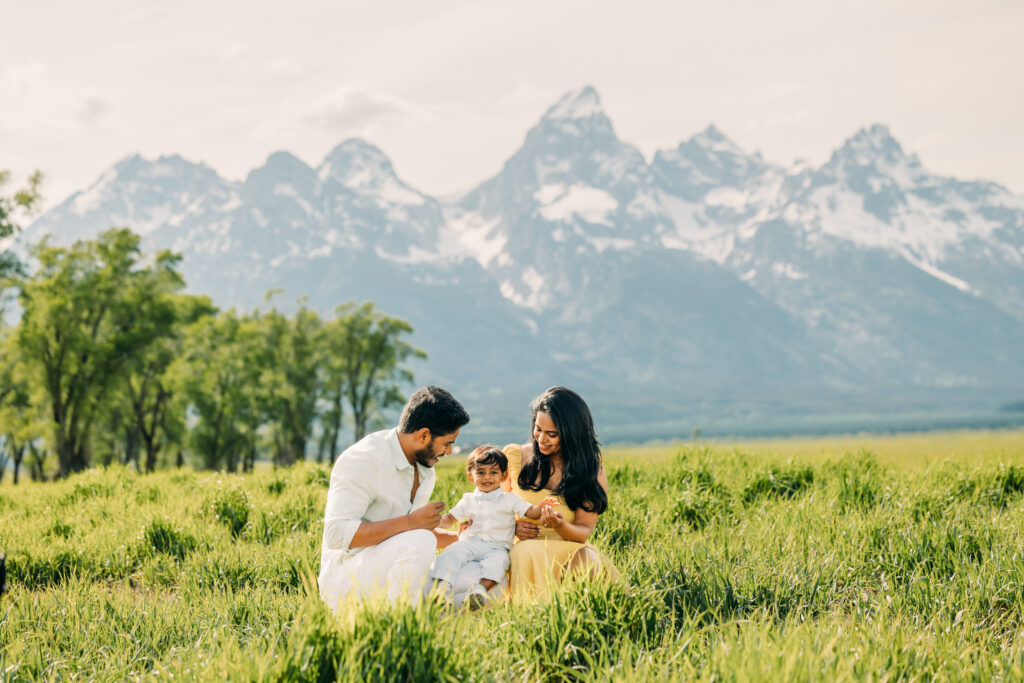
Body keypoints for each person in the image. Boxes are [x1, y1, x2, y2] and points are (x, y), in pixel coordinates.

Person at [318, 385, 470, 612]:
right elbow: (336, 533)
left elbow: (405, 534)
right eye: (447, 444)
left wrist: (465, 540)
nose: (448, 452)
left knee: (473, 583)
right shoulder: (364, 459)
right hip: (346, 581)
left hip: (390, 569)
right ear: (423, 435)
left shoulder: (425, 468)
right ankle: (399, 627)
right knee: (422, 542)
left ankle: (428, 620)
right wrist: (411, 523)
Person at [503, 386, 620, 599]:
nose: (541, 439)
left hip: (567, 549)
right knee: (524, 552)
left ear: (571, 434)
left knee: (589, 561)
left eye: (552, 434)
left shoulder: (590, 468)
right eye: (538, 429)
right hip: (521, 549)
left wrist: (559, 525)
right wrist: (513, 527)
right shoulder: (513, 457)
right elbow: (492, 508)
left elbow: (583, 532)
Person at [428, 445, 556, 610]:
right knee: (451, 553)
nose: (487, 477)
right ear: (470, 476)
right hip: (470, 542)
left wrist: (542, 506)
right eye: (480, 472)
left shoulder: (510, 499)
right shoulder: (468, 500)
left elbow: (531, 512)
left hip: (497, 547)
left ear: (504, 476)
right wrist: (436, 520)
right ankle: (442, 589)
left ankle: (480, 590)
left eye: (493, 472)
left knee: (499, 564)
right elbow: (449, 520)